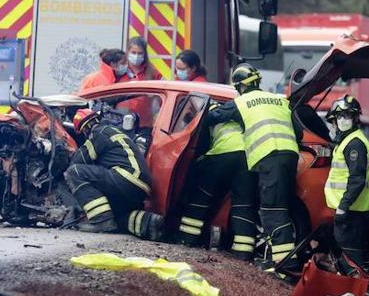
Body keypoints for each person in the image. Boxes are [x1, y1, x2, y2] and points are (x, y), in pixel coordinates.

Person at [205, 64, 300, 273]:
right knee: (281, 207)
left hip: (268, 156)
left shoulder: (242, 102)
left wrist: (208, 108)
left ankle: (285, 267)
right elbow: (299, 133)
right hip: (290, 156)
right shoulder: (280, 100)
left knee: (272, 212)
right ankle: (284, 262)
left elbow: (213, 117)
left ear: (240, 86)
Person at [64, 109, 164, 239]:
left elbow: (78, 160)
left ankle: (101, 221)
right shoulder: (114, 131)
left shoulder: (98, 133)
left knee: (74, 172)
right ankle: (150, 223)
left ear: (86, 128)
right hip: (139, 187)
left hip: (125, 177)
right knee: (116, 216)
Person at [175, 111, 259, 259]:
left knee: (201, 199)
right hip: (248, 158)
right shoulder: (241, 116)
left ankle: (186, 240)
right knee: (243, 205)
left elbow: (200, 146)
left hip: (222, 154)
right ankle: (243, 253)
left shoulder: (210, 115)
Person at [323, 96, 369, 276]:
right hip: (357, 208)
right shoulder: (347, 141)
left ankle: (358, 291)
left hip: (352, 209)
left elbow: (357, 179)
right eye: (339, 116)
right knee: (361, 254)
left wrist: (343, 207)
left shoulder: (354, 144)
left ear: (355, 119)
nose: (343, 120)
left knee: (350, 255)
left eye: (347, 116)